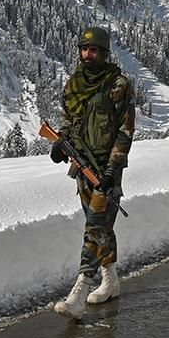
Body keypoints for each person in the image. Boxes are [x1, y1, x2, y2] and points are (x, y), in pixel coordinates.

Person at [49, 26, 135, 319]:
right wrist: (61, 145)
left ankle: (80, 291)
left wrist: (114, 168)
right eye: (84, 50)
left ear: (103, 53)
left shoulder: (118, 84)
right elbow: (67, 121)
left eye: (94, 50)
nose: (88, 54)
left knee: (95, 225)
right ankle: (110, 281)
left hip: (106, 167)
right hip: (81, 165)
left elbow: (125, 131)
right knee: (98, 225)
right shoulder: (73, 85)